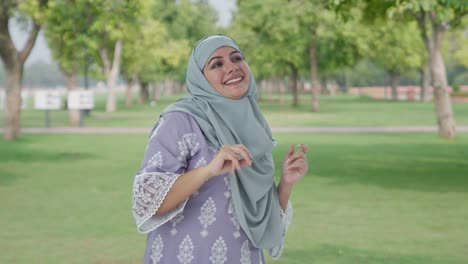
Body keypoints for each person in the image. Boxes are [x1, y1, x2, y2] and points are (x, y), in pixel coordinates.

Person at [132, 34, 309, 264]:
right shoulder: (180, 121)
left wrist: (286, 182)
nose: (232, 67)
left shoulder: (253, 127)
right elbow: (148, 204)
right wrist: (208, 170)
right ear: (200, 78)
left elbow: (262, 221)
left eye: (237, 58)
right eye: (217, 64)